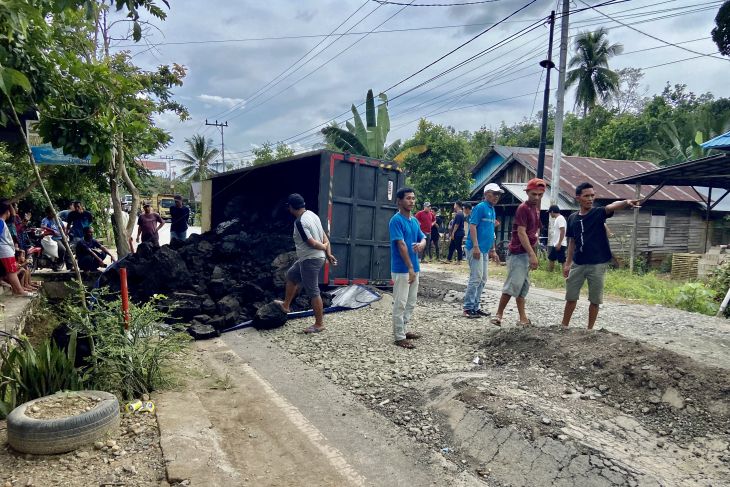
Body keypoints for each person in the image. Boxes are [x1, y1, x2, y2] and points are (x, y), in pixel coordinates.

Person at [560, 182, 639, 329]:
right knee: (571, 297)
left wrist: (626, 202)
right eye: (586, 196)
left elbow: (612, 206)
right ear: (578, 198)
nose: (590, 199)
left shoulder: (598, 213)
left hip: (597, 264)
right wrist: (568, 263)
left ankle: (589, 330)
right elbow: (572, 242)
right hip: (578, 263)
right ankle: (563, 326)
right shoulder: (572, 218)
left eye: (592, 195)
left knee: (595, 300)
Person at [276, 193, 337, 333]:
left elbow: (312, 243)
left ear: (291, 207)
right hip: (309, 258)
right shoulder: (312, 215)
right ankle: (286, 305)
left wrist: (323, 248)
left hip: (311, 259)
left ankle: (319, 324)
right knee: (291, 274)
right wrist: (328, 253)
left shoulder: (300, 222)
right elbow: (324, 237)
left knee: (313, 291)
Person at [491, 178, 546, 327]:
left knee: (523, 287)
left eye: (540, 194)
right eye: (534, 194)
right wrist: (532, 254)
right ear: (527, 192)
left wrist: (533, 253)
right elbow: (521, 233)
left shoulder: (536, 210)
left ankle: (523, 318)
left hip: (526, 253)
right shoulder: (523, 208)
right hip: (518, 252)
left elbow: (534, 234)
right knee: (512, 285)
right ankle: (499, 315)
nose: (536, 197)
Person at [389, 187, 426, 349]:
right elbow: (401, 244)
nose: (411, 201)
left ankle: (403, 330)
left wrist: (421, 244)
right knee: (400, 303)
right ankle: (399, 336)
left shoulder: (414, 221)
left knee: (411, 302)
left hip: (414, 268)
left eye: (413, 198)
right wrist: (410, 267)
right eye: (408, 198)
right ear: (399, 201)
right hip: (402, 269)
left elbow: (423, 236)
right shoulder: (396, 220)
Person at [463, 183, 503, 318]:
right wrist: (475, 246)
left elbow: (491, 232)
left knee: (483, 279)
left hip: (485, 250)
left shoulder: (492, 209)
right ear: (486, 194)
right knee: (476, 278)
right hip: (475, 248)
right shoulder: (480, 208)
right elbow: (472, 226)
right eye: (494, 193)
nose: (497, 196)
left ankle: (476, 306)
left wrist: (493, 249)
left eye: (498, 194)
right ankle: (468, 308)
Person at [0, 200, 33, 297]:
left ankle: (17, 290)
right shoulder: (1, 222)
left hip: (6, 250)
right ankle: (19, 291)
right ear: (7, 212)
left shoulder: (2, 222)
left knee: (12, 271)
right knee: (12, 271)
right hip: (5, 251)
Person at [547, 205, 567, 272]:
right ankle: (550, 273)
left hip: (560, 243)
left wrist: (559, 243)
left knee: (563, 260)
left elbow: (563, 230)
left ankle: (565, 274)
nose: (550, 214)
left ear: (552, 212)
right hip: (556, 243)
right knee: (551, 258)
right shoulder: (558, 219)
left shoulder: (560, 218)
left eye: (550, 213)